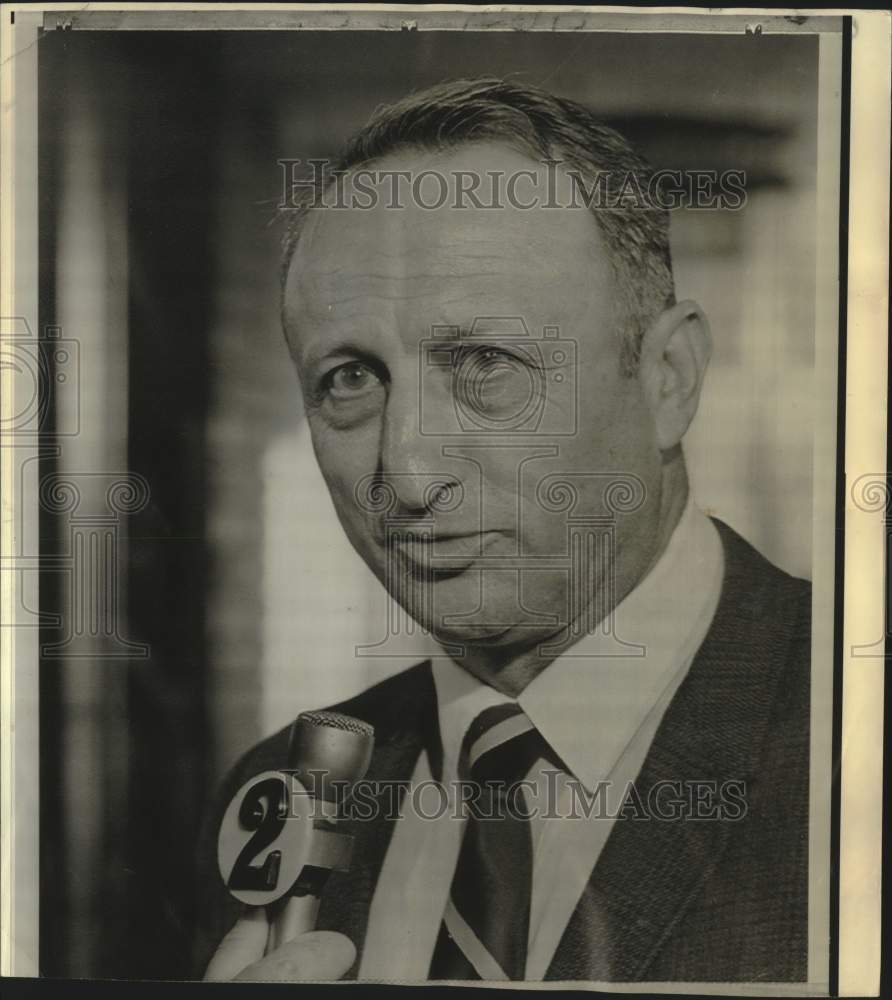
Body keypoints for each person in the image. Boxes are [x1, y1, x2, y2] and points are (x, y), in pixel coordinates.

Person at [193, 78, 810, 983]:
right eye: (351, 379)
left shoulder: (850, 729)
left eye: (486, 362)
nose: (408, 475)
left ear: (669, 378)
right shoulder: (279, 792)